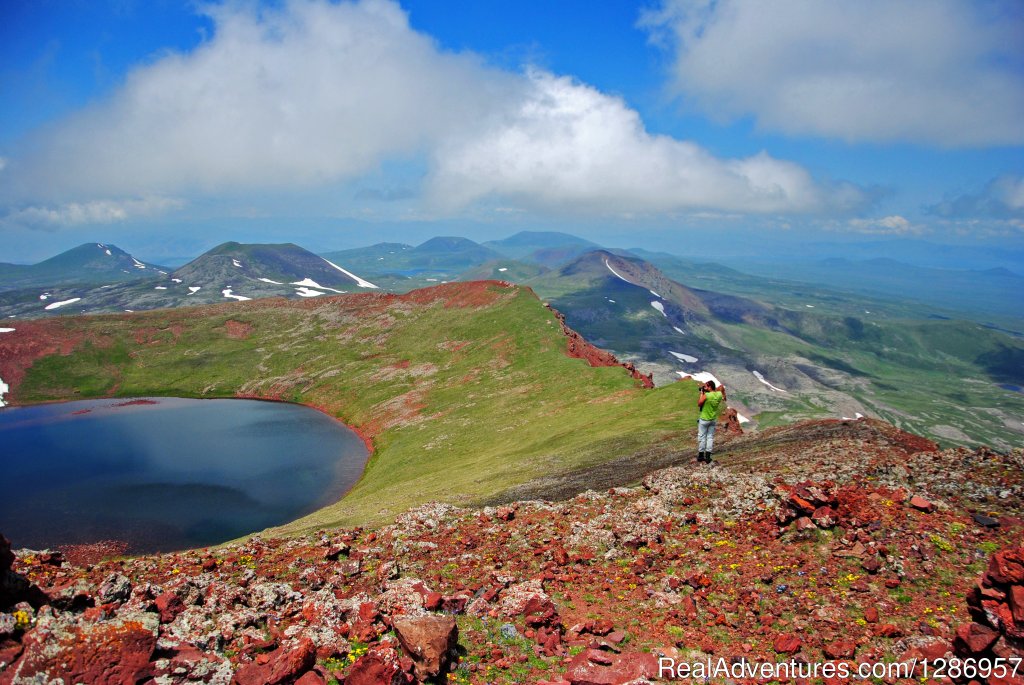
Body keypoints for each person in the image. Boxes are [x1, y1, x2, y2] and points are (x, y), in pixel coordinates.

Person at [697, 380, 726, 463]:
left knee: (702, 437)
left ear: (709, 387)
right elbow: (722, 393)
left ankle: (701, 456)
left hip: (704, 419)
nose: (704, 388)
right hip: (712, 419)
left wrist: (702, 393)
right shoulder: (719, 395)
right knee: (710, 437)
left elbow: (699, 403)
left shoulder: (706, 395)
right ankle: (708, 456)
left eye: (706, 386)